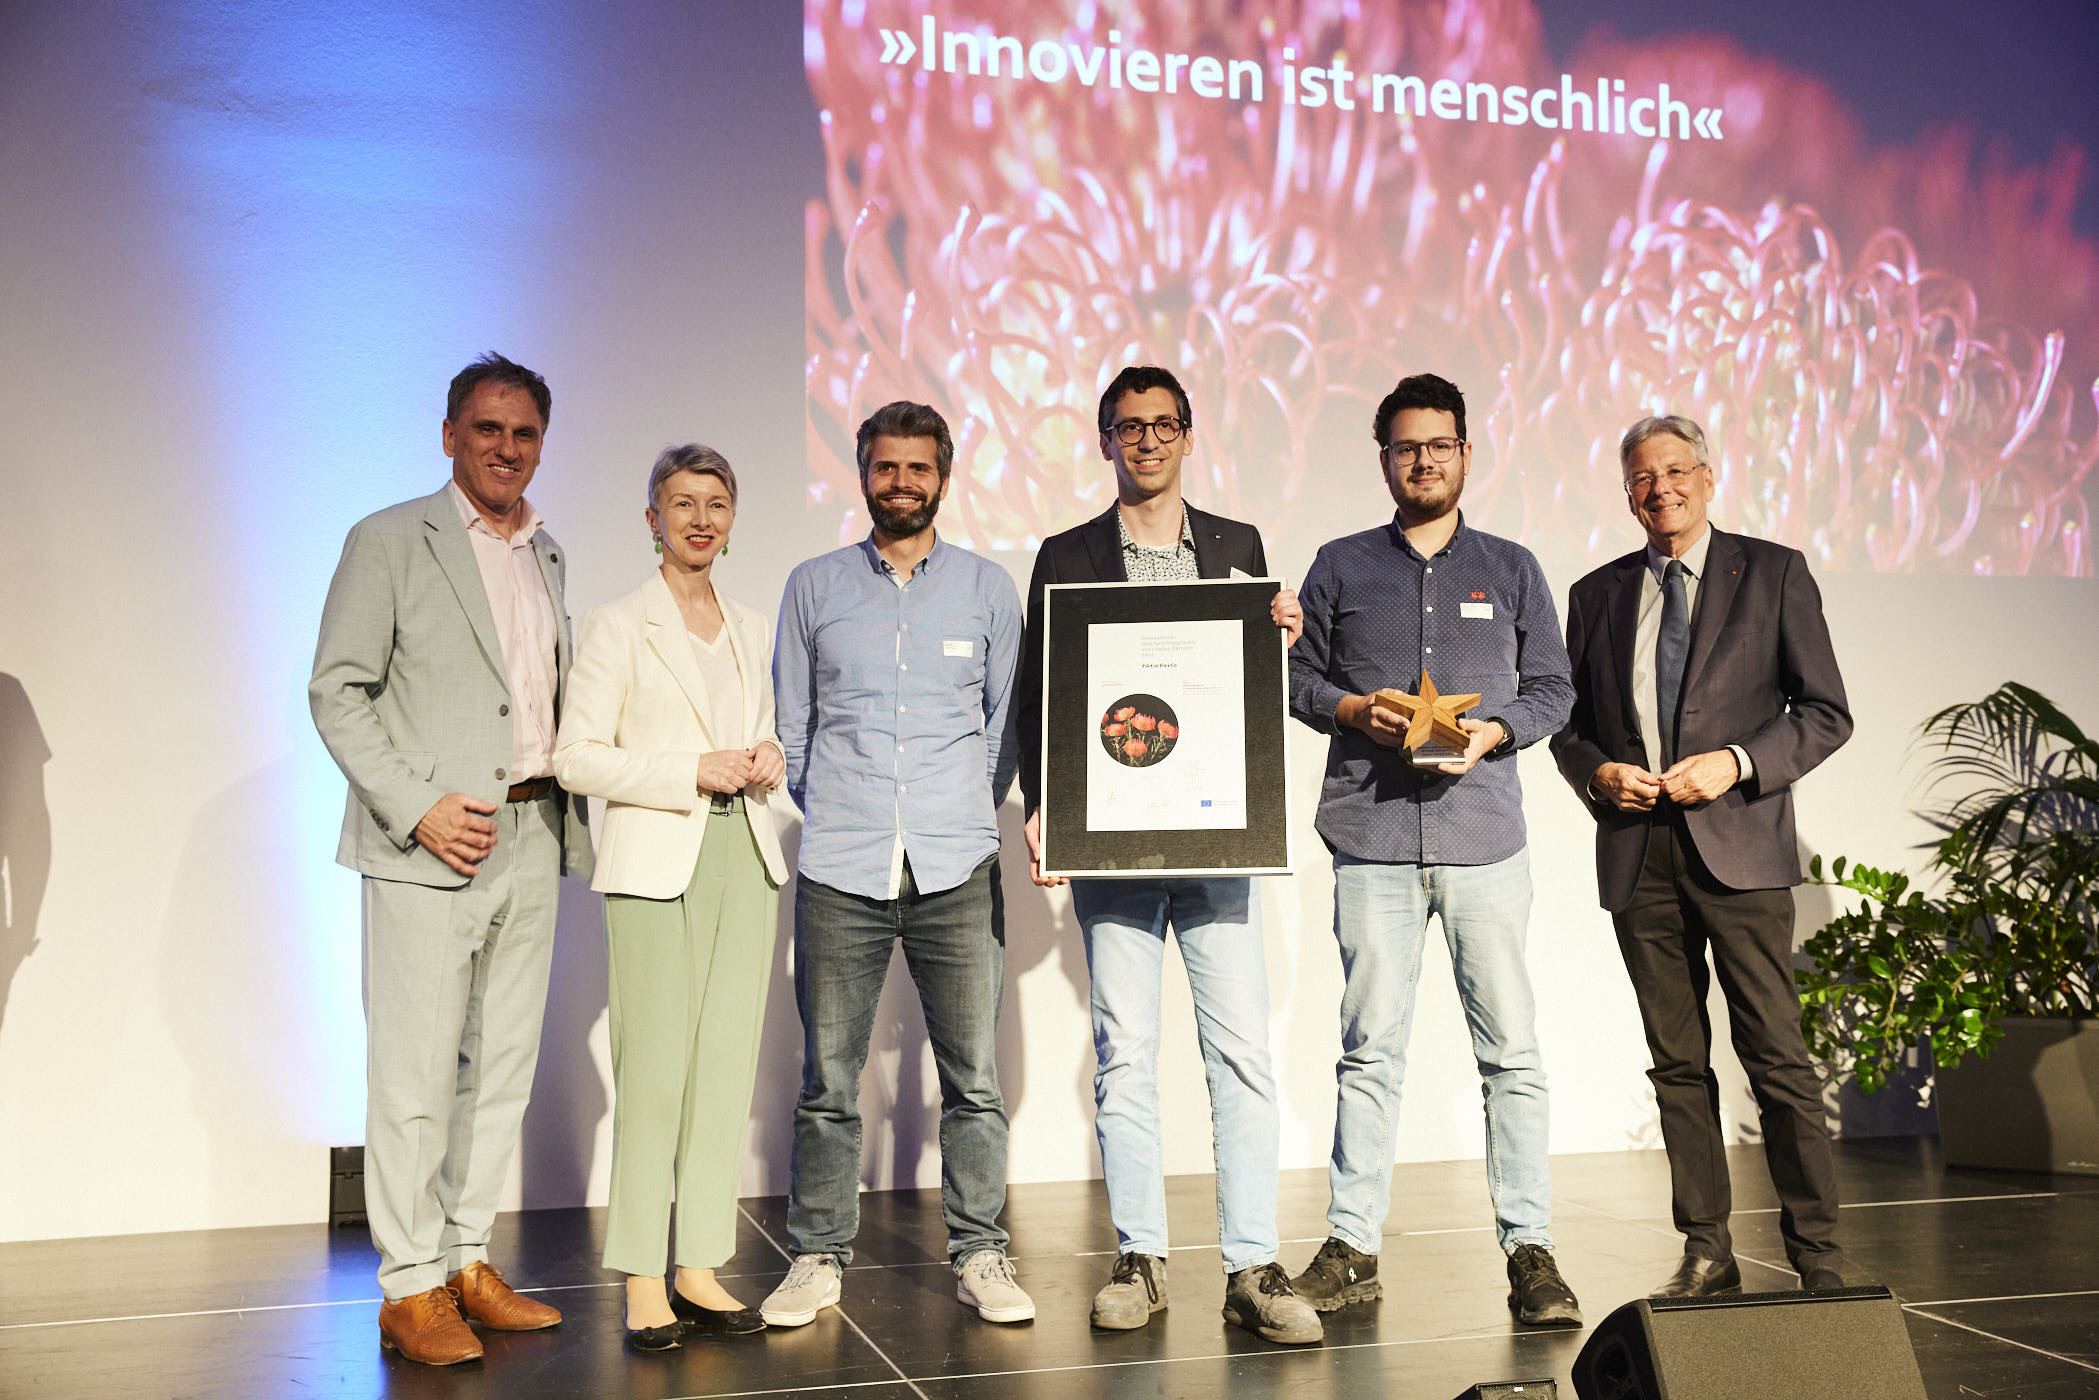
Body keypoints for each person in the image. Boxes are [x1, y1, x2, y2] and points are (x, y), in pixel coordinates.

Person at [1017, 365, 1319, 1345]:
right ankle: (1140, 1258)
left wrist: (1279, 638)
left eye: (1161, 424)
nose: (1145, 440)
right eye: (1127, 425)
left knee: (1240, 1054)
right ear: (1104, 439)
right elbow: (1041, 692)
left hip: (1216, 837)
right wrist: (1042, 803)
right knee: (1125, 1056)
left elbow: (1241, 691)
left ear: (1188, 435)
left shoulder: (1237, 545)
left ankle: (1251, 1263)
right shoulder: (1065, 553)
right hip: (1110, 842)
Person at [310, 353, 592, 1365]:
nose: (505, 448)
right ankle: (409, 1283)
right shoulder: (389, 538)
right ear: (448, 436)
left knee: (500, 1067)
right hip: (433, 838)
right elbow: (336, 689)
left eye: (523, 433)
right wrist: (418, 806)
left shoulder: (546, 552)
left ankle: (467, 1257)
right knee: (414, 1074)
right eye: (486, 428)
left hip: (532, 828)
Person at [1286, 372, 1582, 1328]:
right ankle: (1352, 1246)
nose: (1424, 461)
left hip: (1483, 840)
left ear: (1465, 453)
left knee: (1511, 1054)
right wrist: (1349, 710)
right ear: (1385, 459)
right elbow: (1296, 677)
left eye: (1439, 445)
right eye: (1407, 446)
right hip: (1370, 839)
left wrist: (1494, 731)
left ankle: (1530, 1250)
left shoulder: (1512, 566)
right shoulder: (1338, 564)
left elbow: (1553, 688)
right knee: (1369, 1052)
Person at [1550, 414, 1852, 1297]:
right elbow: (1566, 725)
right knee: (1676, 1063)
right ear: (1627, 494)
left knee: (1776, 1057)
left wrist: (1737, 762)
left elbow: (1824, 712)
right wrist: (1597, 772)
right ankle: (1707, 1250)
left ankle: (1818, 1255)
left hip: (1741, 851)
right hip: (1638, 853)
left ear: (1707, 478)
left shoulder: (1772, 572)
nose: (1661, 489)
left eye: (1675, 471)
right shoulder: (1596, 593)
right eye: (1642, 478)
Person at [764, 400, 1032, 1328]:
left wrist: (956, 809)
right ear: (863, 474)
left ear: (942, 478)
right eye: (886, 467)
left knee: (974, 1080)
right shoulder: (813, 585)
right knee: (827, 1083)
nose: (902, 482)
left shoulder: (987, 588)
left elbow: (1003, 731)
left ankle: (980, 1252)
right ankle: (816, 1257)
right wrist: (845, 807)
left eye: (919, 468)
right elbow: (793, 726)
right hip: (842, 866)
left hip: (957, 865)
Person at [551, 445, 789, 1350]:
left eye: (715, 503)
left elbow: (762, 732)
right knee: (653, 1072)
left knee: (724, 1069)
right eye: (682, 503)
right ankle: (643, 1278)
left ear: (732, 519)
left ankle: (698, 1266)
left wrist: (769, 756)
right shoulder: (618, 623)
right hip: (656, 858)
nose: (700, 518)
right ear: (652, 519)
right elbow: (576, 758)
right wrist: (688, 770)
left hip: (745, 853)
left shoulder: (751, 625)